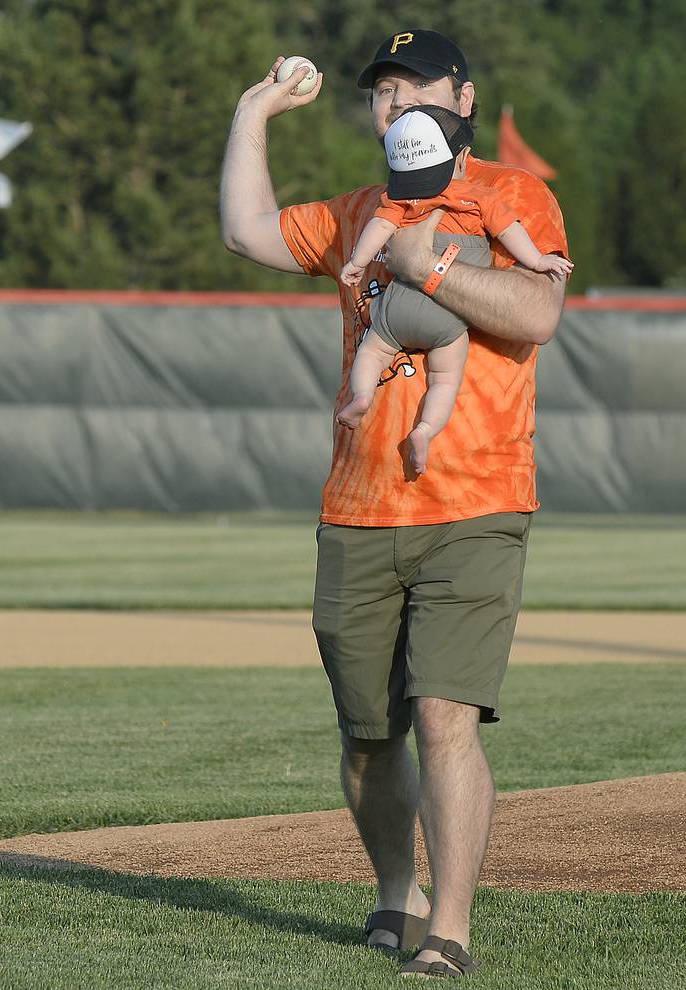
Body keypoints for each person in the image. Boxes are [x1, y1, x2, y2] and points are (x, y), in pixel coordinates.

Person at [220, 27, 569, 980]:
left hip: (476, 502)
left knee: (444, 716)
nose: (395, 101)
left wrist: (435, 267)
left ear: (461, 97)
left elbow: (539, 314)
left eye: (414, 85)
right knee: (368, 734)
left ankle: (449, 929)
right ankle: (394, 894)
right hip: (360, 506)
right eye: (383, 90)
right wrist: (255, 112)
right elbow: (247, 232)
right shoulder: (360, 208)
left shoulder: (511, 195)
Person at [337, 102, 572, 473]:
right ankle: (426, 430)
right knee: (445, 378)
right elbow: (511, 233)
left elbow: (378, 230)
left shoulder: (399, 199)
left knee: (371, 353)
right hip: (446, 321)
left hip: (396, 309)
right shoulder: (477, 196)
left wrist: (356, 264)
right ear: (461, 157)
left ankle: (362, 395)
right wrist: (539, 261)